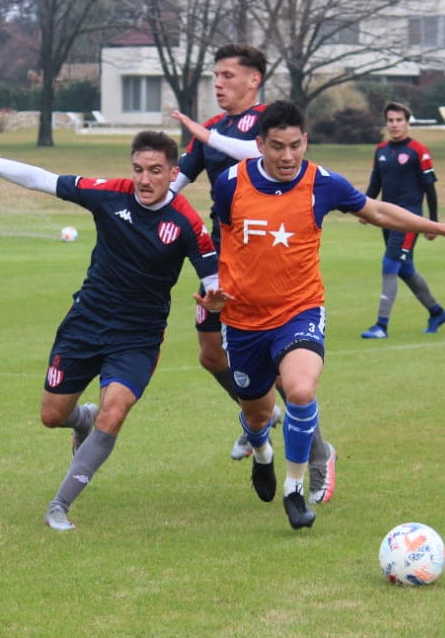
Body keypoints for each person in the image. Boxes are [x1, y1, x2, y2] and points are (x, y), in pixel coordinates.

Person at [195, 100, 445, 529]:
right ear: (259, 145)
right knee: (257, 414)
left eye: (295, 146)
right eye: (276, 147)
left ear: (305, 141)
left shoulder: (322, 183)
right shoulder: (230, 184)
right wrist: (217, 292)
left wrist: (439, 227)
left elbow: (377, 210)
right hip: (243, 321)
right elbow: (226, 244)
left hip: (299, 310)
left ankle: (294, 489)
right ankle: (261, 450)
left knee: (299, 390)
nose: (287, 156)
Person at [0, 131, 225, 531]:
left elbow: (213, 280)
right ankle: (82, 420)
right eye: (138, 169)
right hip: (86, 323)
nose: (144, 180)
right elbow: (41, 178)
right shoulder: (109, 194)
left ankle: (59, 505)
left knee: (113, 412)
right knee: (52, 416)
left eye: (155, 171)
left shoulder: (186, 221)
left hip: (138, 336)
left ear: (174, 173)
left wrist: (214, 301)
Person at [170, 43, 337, 504]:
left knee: (288, 374)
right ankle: (258, 416)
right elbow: (175, 182)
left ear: (253, 80)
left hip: (267, 261)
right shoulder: (210, 129)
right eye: (216, 75)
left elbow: (252, 152)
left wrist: (207, 138)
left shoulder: (266, 125)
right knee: (210, 355)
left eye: (227, 75)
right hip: (220, 262)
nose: (218, 83)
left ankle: (319, 456)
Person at [360, 101, 445, 339]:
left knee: (390, 264)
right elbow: (375, 184)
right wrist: (363, 208)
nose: (394, 124)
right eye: (390, 120)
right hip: (386, 218)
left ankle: (381, 326)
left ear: (407, 123)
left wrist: (433, 223)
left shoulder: (418, 150)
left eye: (399, 120)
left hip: (409, 219)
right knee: (405, 268)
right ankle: (437, 312)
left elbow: (430, 188)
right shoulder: (381, 150)